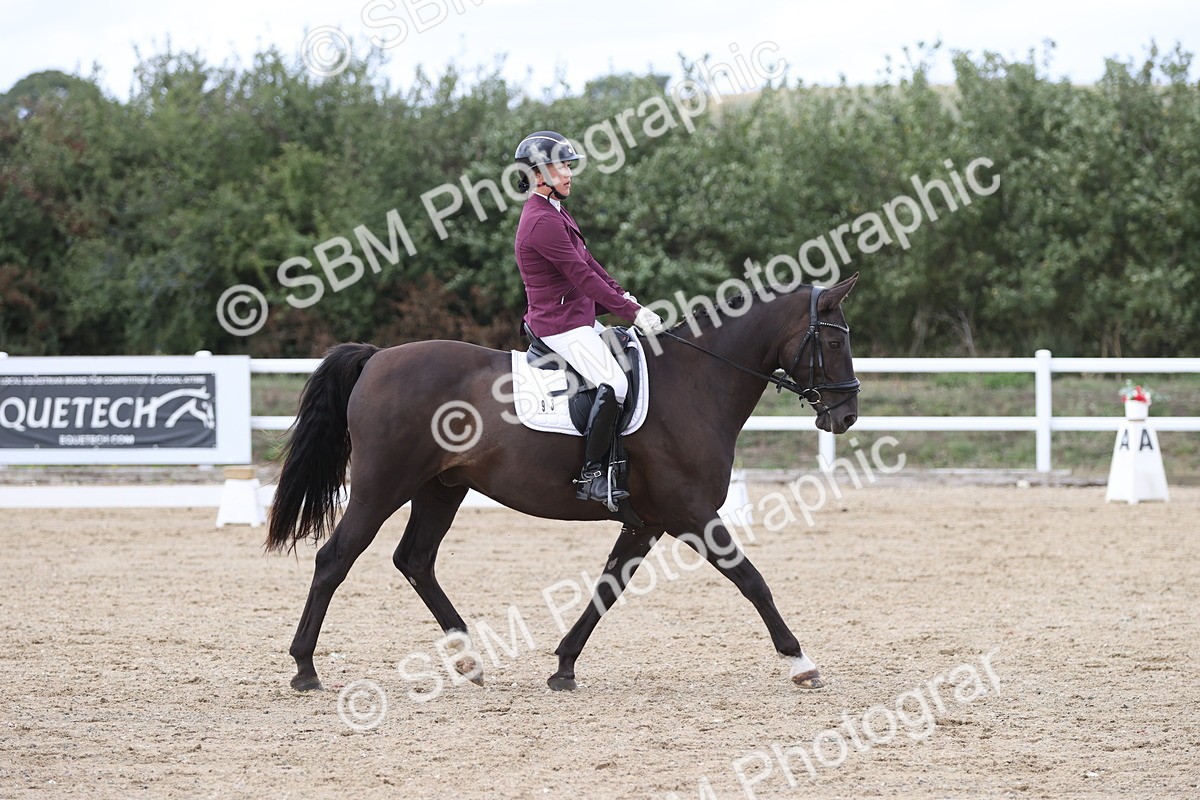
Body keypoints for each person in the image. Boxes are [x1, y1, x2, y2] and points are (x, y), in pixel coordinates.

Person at [512, 130, 665, 509]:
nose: (569, 173)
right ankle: (592, 475)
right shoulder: (541, 221)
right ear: (538, 174)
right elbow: (580, 277)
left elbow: (589, 264)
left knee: (631, 355)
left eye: (567, 165)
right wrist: (632, 313)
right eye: (561, 166)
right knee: (613, 384)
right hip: (560, 325)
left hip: (576, 317)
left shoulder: (555, 211)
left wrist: (625, 296)